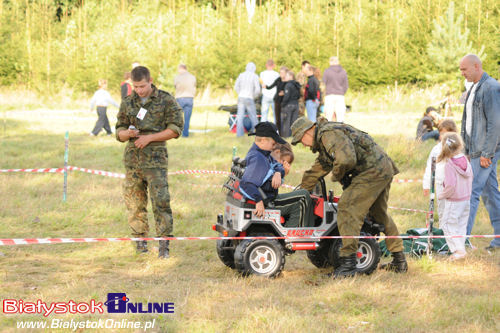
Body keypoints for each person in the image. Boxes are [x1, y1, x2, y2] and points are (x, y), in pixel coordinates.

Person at [291, 116, 407, 278]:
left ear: (308, 131)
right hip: (382, 168)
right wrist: (299, 194)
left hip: (371, 171)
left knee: (346, 208)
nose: (303, 144)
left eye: (301, 139)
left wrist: (337, 175)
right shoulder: (325, 139)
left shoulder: (328, 135)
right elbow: (316, 171)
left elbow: (346, 159)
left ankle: (348, 264)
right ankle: (399, 260)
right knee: (379, 214)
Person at [115, 66, 184, 258]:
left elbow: (176, 128)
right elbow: (118, 131)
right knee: (135, 203)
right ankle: (140, 242)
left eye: (143, 86)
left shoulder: (166, 100)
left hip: (155, 161)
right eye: (136, 87)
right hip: (133, 161)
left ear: (150, 80)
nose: (140, 90)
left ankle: (164, 244)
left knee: (160, 201)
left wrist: (150, 138)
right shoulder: (128, 102)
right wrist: (126, 134)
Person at [459, 54, 500, 251]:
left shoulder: (491, 87)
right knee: (490, 194)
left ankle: (461, 241)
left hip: (485, 151)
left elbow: (495, 123)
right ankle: (499, 239)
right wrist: (466, 149)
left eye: (464, 69)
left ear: (476, 66)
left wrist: (487, 153)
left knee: (471, 192)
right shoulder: (475, 87)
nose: (462, 73)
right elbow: (469, 121)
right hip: (475, 150)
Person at [239, 122, 314, 228]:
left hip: (269, 197)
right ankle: (295, 236)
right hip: (268, 201)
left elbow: (275, 164)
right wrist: (258, 201)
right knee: (303, 196)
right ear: (264, 140)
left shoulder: (262, 153)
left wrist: (279, 173)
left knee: (302, 194)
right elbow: (246, 183)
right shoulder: (258, 159)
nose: (274, 147)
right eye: (273, 144)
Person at [437, 133, 473, 260]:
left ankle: (458, 250)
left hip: (454, 200)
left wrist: (442, 195)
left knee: (447, 224)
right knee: (461, 225)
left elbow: (451, 186)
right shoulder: (465, 160)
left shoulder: (450, 164)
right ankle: (461, 248)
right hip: (466, 199)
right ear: (460, 145)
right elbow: (471, 177)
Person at [422, 119, 458, 219]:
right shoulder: (436, 149)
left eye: (447, 133)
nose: (444, 136)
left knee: (454, 212)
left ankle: (453, 232)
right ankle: (443, 232)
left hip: (455, 186)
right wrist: (426, 185)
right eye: (442, 133)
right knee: (442, 210)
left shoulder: (458, 149)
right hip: (440, 185)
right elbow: (430, 167)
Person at [234, 62, 261, 137]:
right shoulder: (254, 76)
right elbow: (258, 90)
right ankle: (256, 133)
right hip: (249, 97)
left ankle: (239, 134)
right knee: (253, 116)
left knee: (240, 116)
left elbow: (236, 87)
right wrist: (253, 96)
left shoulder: (241, 75)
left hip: (241, 97)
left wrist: (240, 93)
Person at [322, 56, 348, 122]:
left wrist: (324, 94)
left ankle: (328, 131)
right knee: (340, 118)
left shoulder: (327, 71)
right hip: (340, 96)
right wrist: (342, 92)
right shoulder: (343, 71)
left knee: (328, 118)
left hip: (329, 95)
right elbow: (346, 85)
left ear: (330, 62)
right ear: (338, 62)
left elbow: (323, 84)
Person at [174, 64, 196, 137]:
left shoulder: (177, 77)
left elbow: (175, 86)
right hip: (190, 98)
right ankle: (185, 134)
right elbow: (194, 87)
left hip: (180, 98)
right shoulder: (192, 77)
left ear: (180, 69)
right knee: (187, 118)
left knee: (178, 118)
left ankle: (177, 133)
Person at [265, 66, 288, 135]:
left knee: (284, 118)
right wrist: (265, 86)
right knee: (277, 118)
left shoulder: (288, 81)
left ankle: (285, 132)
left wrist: (284, 92)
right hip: (277, 100)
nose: (281, 74)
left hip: (285, 101)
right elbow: (270, 86)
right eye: (280, 73)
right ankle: (279, 133)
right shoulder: (278, 79)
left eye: (282, 73)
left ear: (286, 73)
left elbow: (290, 90)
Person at [280, 71, 301, 137]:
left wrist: (282, 104)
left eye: (286, 76)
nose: (285, 77)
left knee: (286, 122)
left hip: (289, 105)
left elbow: (286, 96)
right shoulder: (297, 84)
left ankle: (286, 137)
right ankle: (293, 136)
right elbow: (299, 95)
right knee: (294, 122)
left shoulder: (288, 85)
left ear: (291, 76)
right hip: (296, 105)